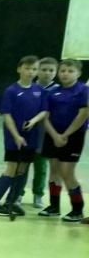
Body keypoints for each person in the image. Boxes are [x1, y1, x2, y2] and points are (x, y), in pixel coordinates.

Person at [0, 56, 47, 217]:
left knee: (23, 168)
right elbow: (7, 115)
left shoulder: (39, 91)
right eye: (27, 68)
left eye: (34, 69)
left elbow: (44, 111)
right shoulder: (11, 91)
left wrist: (34, 121)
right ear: (19, 69)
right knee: (11, 168)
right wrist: (16, 136)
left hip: (31, 135)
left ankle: (11, 202)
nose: (31, 72)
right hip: (13, 137)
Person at [39, 59, 89, 221]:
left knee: (67, 171)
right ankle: (54, 206)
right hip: (53, 135)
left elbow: (83, 114)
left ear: (78, 73)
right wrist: (55, 135)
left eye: (70, 71)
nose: (65, 74)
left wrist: (65, 135)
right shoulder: (52, 92)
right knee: (54, 170)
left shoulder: (83, 90)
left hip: (73, 136)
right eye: (63, 71)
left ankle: (77, 209)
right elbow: (45, 116)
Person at [30, 57, 59, 208]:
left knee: (41, 168)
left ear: (56, 72)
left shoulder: (59, 90)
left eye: (51, 70)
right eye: (43, 70)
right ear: (37, 71)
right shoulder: (29, 87)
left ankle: (38, 195)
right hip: (28, 135)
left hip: (46, 137)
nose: (47, 73)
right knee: (22, 167)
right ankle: (17, 194)